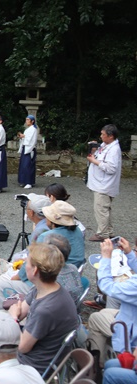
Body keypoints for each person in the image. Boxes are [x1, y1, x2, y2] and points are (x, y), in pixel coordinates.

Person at [0, 242, 80, 382]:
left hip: (33, 364)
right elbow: (21, 310)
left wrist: (10, 321)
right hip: (37, 347)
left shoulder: (46, 309)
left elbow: (23, 346)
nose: (24, 265)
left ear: (35, 270)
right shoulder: (45, 288)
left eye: (27, 262)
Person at [0, 233, 83, 312]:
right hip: (69, 314)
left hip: (47, 319)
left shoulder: (44, 295)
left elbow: (29, 337)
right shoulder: (73, 268)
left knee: (4, 282)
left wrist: (14, 317)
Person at [95, 237, 137, 365]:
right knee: (104, 312)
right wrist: (129, 253)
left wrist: (106, 258)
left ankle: (97, 365)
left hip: (130, 332)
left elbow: (106, 286)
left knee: (95, 319)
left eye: (136, 250)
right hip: (128, 314)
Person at [87, 124, 122, 241]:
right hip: (100, 183)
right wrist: (93, 148)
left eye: (103, 134)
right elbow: (98, 154)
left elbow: (111, 168)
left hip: (104, 185)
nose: (101, 136)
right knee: (105, 209)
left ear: (111, 136)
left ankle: (102, 234)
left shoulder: (114, 150)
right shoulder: (105, 145)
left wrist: (94, 161)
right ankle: (109, 231)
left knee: (101, 209)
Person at [37, 200, 85, 267]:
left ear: (52, 220)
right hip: (77, 267)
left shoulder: (46, 236)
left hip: (57, 270)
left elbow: (37, 260)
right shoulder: (77, 230)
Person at [16, 115, 38, 189]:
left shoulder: (34, 129)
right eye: (26, 119)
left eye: (28, 120)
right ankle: (23, 181)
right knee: (23, 165)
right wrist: (22, 137)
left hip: (29, 149)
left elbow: (31, 140)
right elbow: (25, 138)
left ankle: (29, 182)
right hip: (25, 148)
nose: (26, 121)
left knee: (28, 166)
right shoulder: (27, 129)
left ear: (32, 121)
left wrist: (24, 136)